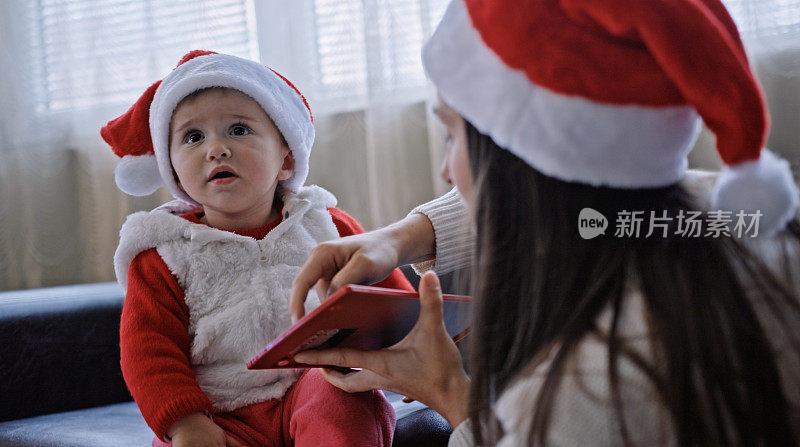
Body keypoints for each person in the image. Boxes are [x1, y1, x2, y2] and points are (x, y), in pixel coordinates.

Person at [289, 0, 800, 445]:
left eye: (452, 136)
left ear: (521, 166)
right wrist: (399, 237)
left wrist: (449, 394)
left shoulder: (580, 394)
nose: (445, 170)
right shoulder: (736, 213)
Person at [100, 50, 413, 447]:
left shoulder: (326, 225)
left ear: (286, 157)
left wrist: (414, 348)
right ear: (173, 169)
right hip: (218, 414)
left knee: (344, 398)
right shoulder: (162, 254)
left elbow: (391, 301)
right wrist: (185, 422)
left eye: (238, 130)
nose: (216, 149)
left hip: (315, 385)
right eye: (193, 137)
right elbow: (149, 352)